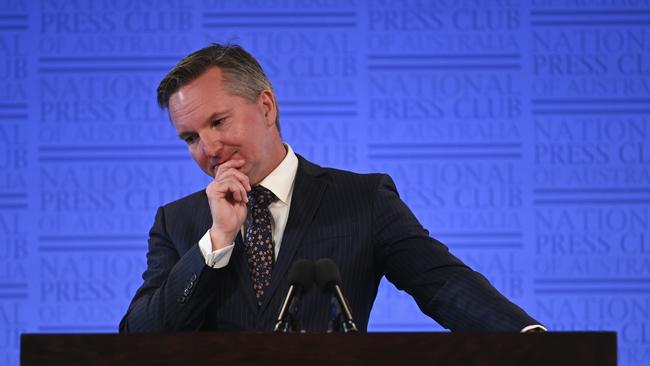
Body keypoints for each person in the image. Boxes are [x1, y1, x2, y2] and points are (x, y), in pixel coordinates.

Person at [119, 44, 543, 333]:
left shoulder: (364, 200)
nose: (208, 148)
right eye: (190, 138)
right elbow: (139, 337)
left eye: (218, 122)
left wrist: (529, 338)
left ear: (266, 107)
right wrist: (216, 242)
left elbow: (443, 285)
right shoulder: (178, 222)